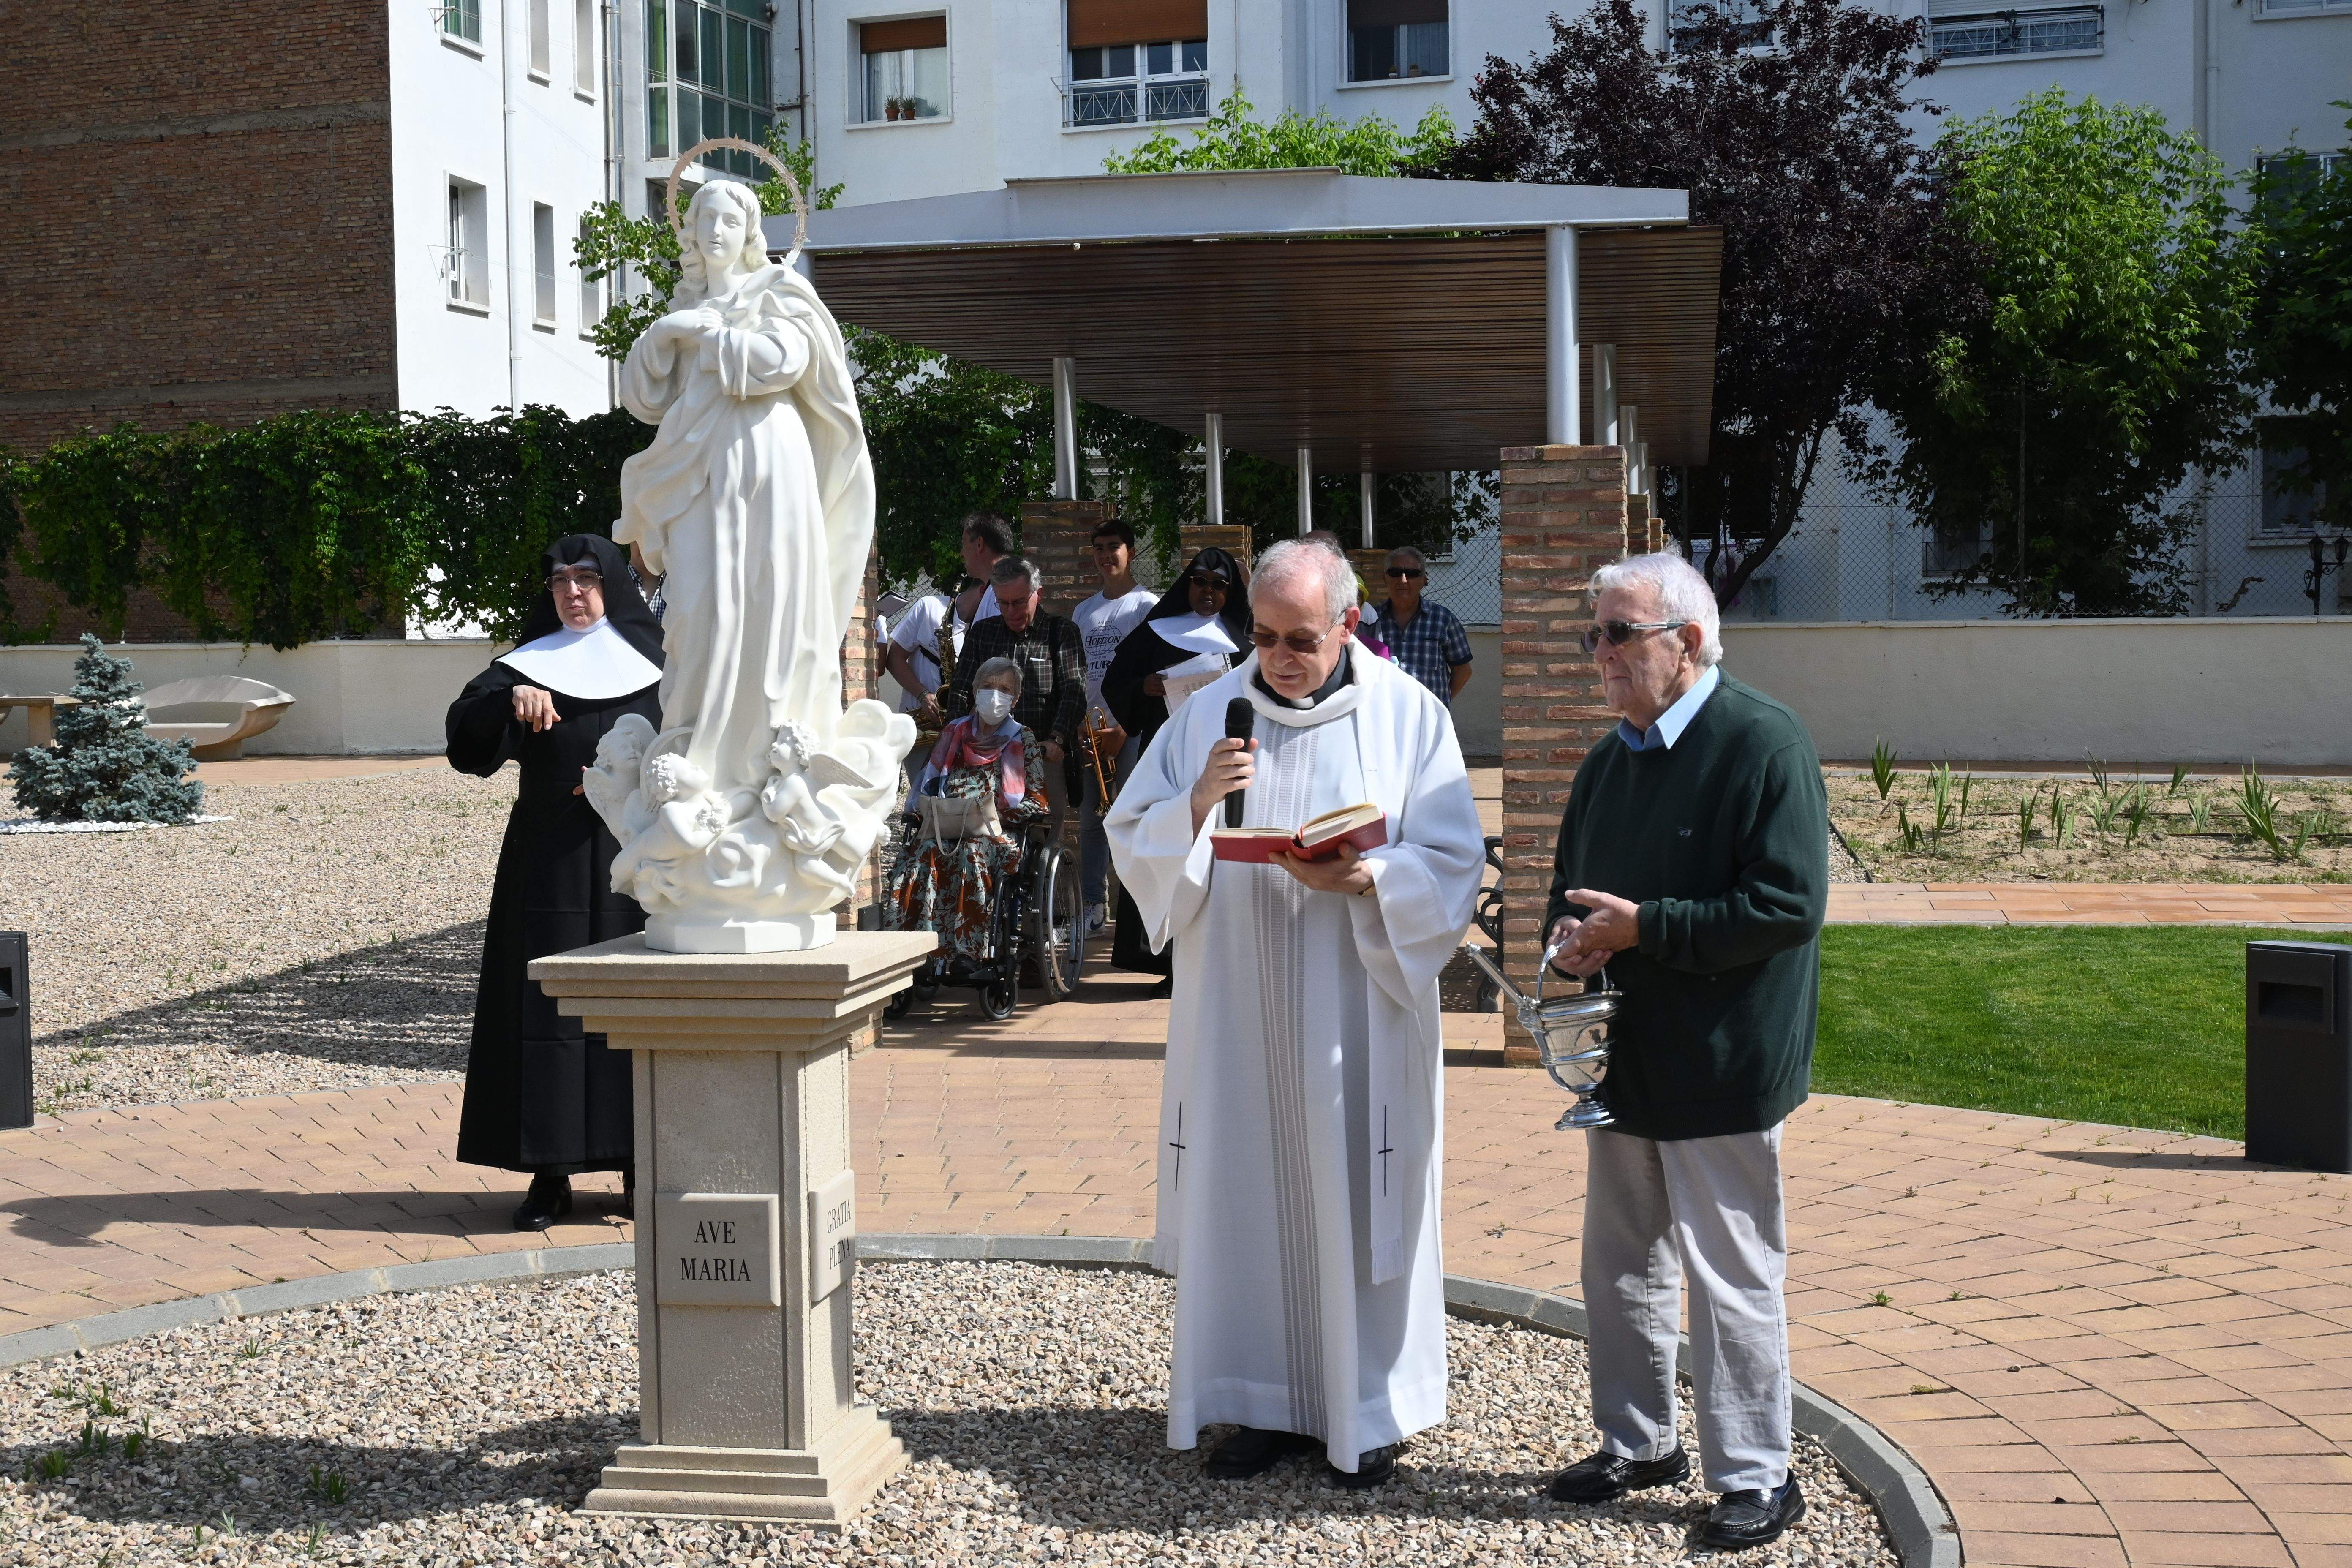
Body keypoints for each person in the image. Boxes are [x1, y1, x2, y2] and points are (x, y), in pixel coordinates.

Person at [1105, 539, 1484, 1489]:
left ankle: (1367, 1410)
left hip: (1354, 1022)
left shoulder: (1409, 718)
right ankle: (1266, 1401)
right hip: (1238, 1016)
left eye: (1300, 638)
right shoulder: (1207, 716)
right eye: (1264, 635)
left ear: (1348, 624)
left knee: (1355, 1194)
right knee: (1253, 1192)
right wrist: (1194, 803)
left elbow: (1453, 859)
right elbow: (1132, 834)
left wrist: (1366, 874)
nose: (1277, 656)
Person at [1538, 551, 1828, 1552]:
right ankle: (1638, 1442)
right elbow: (1568, 889)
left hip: (1723, 1060)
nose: (1598, 655)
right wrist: (1568, 948)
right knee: (1618, 1265)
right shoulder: (1607, 760)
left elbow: (1788, 906)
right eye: (1594, 635)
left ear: (1687, 642)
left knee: (1730, 1275)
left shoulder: (1763, 742)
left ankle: (1756, 1475)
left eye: (1616, 634)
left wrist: (1644, 928)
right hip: (1625, 1062)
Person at [445, 535, 665, 1230]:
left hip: (639, 862)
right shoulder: (525, 666)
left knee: (641, 1011)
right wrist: (509, 701)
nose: (572, 591)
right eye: (559, 580)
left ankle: (642, 1163)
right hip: (550, 864)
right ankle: (550, 1172)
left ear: (615, 585)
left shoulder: (664, 662)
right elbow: (463, 739)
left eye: (587, 578)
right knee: (550, 1012)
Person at [1098, 546, 1252, 985]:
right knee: (1169, 847)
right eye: (1200, 582)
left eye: (1219, 586)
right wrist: (1143, 687)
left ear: (1231, 592)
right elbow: (1117, 682)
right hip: (1167, 761)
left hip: (1221, 761)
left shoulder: (1243, 641)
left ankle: (1215, 960)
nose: (1208, 592)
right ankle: (1163, 962)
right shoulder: (1157, 632)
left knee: (1214, 855)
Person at [880, 656, 1051, 964]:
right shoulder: (954, 732)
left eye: (1004, 689)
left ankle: (967, 951)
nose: (995, 695)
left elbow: (1037, 802)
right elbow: (926, 787)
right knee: (921, 853)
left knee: (970, 850)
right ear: (974, 691)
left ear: (1016, 698)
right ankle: (910, 954)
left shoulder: (1021, 738)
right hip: (944, 828)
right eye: (988, 687)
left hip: (997, 833)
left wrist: (994, 816)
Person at [944, 556, 1085, 839]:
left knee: (1041, 838)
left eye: (1019, 602)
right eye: (1003, 603)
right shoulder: (984, 633)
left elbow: (1074, 692)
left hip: (1043, 754)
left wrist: (1057, 739)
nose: (1011, 611)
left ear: (1038, 595)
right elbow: (961, 688)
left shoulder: (1061, 634)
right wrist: (955, 732)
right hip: (985, 755)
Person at [1070, 519, 1160, 936]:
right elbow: (1079, 674)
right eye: (1100, 549)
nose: (1106, 556)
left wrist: (1124, 725)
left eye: (1114, 547)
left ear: (1132, 551)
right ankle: (1093, 906)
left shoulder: (1146, 606)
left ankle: (1135, 914)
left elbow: (1152, 674)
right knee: (1092, 821)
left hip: (1131, 730)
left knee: (1132, 819)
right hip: (1093, 731)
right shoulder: (1083, 611)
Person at [883, 512, 1013, 737]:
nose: (962, 553)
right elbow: (894, 657)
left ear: (979, 544)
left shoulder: (998, 595)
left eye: (965, 545)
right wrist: (924, 694)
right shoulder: (995, 592)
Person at [1372, 547, 1473, 706]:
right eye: (1395, 573)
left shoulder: (1443, 620)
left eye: (1412, 574)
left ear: (1424, 580)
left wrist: (1439, 703)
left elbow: (1463, 671)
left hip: (1430, 722)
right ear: (1385, 578)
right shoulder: (1372, 621)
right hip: (1386, 719)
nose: (1403, 580)